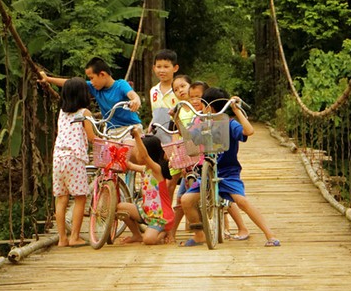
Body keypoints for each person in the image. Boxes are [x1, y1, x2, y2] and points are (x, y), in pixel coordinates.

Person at [180, 88, 280, 247]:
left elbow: (249, 131)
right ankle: (199, 235)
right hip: (207, 172)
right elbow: (187, 139)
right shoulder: (203, 125)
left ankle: (270, 234)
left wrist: (236, 110)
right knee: (186, 200)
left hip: (228, 172)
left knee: (241, 201)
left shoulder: (230, 124)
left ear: (209, 107)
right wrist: (174, 116)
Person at [53, 78, 97, 247]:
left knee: (61, 199)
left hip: (58, 157)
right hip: (74, 159)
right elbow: (92, 137)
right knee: (80, 198)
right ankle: (75, 237)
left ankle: (62, 238)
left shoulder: (62, 113)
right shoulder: (84, 113)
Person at [39, 57, 141, 129]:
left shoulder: (121, 85)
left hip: (130, 128)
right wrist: (48, 79)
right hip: (111, 131)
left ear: (102, 74)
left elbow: (132, 94)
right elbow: (70, 83)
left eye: (92, 78)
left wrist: (135, 101)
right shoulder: (94, 87)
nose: (91, 82)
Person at [116, 127, 174, 245]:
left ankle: (165, 232)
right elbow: (130, 165)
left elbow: (145, 157)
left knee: (148, 240)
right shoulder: (145, 169)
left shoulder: (156, 170)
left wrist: (137, 136)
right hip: (146, 213)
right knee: (121, 207)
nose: (136, 153)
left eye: (138, 151)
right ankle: (137, 235)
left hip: (161, 217)